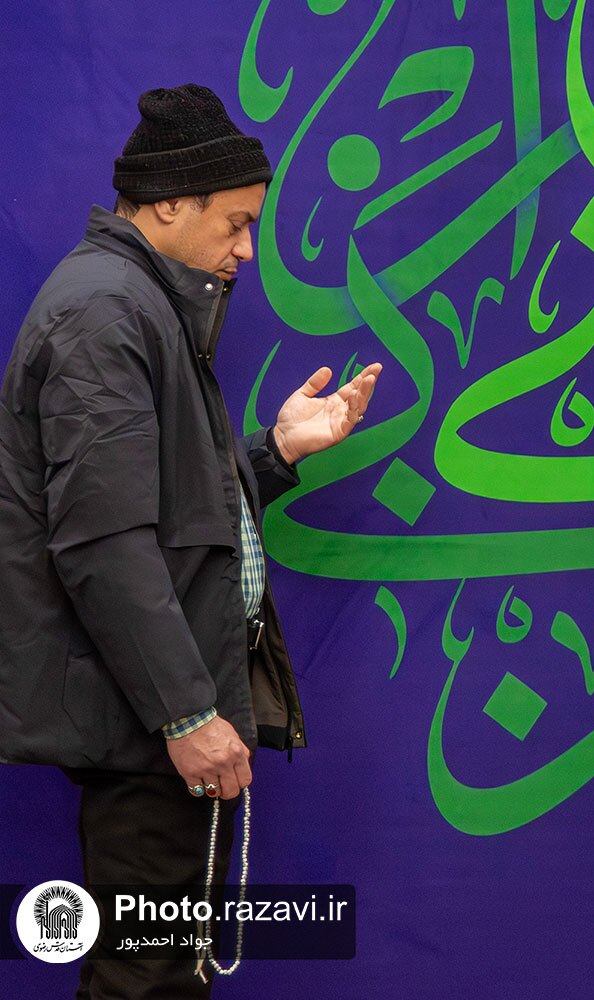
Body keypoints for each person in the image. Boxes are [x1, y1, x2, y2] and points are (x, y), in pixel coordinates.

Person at [0, 83, 380, 997]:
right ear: (171, 202)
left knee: (166, 975)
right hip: (147, 732)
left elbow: (166, 507)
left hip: (156, 724)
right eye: (237, 223)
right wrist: (185, 715)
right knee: (146, 981)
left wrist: (277, 452)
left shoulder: (141, 305)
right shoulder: (106, 315)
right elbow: (103, 546)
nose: (247, 250)